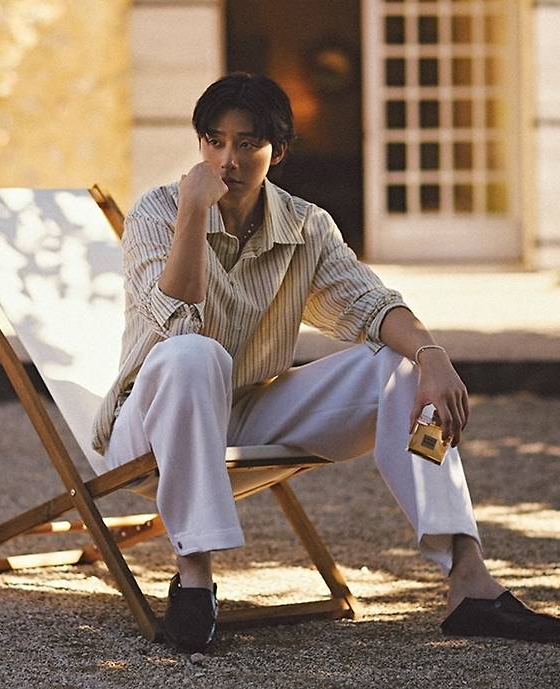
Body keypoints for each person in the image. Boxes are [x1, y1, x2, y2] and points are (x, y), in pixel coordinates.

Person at [92, 73, 560, 652]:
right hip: (148, 427)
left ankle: (470, 579)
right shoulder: (158, 212)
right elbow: (177, 318)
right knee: (194, 351)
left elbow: (370, 303)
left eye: (246, 143)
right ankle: (194, 574)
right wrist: (193, 211)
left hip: (243, 414)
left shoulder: (305, 226)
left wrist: (432, 356)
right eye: (214, 141)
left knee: (402, 367)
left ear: (278, 151)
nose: (227, 160)